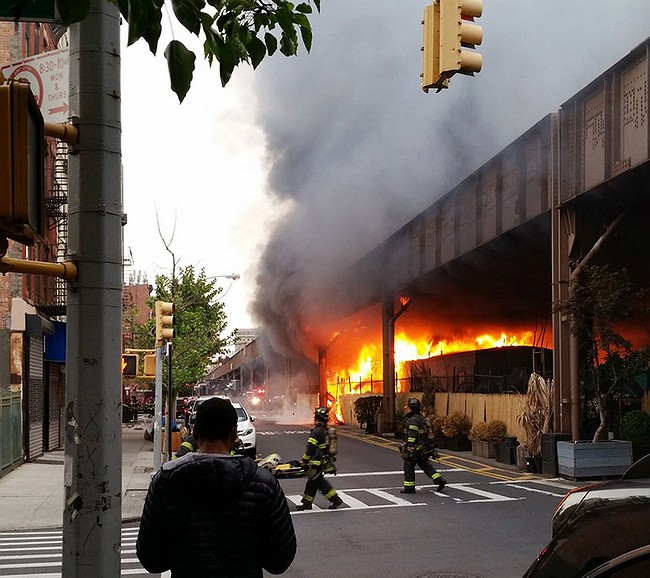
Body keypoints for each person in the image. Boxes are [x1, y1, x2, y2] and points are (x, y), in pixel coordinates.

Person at [136, 396, 296, 577]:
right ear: (234, 434)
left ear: (195, 433)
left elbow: (151, 558)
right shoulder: (264, 484)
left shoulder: (166, 481)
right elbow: (280, 560)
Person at [296, 406, 344, 511]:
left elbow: (311, 448)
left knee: (319, 482)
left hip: (316, 462)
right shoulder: (324, 430)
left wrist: (304, 461)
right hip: (322, 460)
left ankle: (335, 499)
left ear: (317, 418)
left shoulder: (317, 431)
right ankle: (307, 503)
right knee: (312, 482)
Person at [401, 397, 446, 494]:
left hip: (416, 449)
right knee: (425, 465)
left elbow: (412, 435)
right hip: (424, 448)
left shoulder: (413, 420)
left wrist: (409, 448)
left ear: (411, 408)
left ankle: (409, 488)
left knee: (408, 466)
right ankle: (439, 480)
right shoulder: (421, 419)